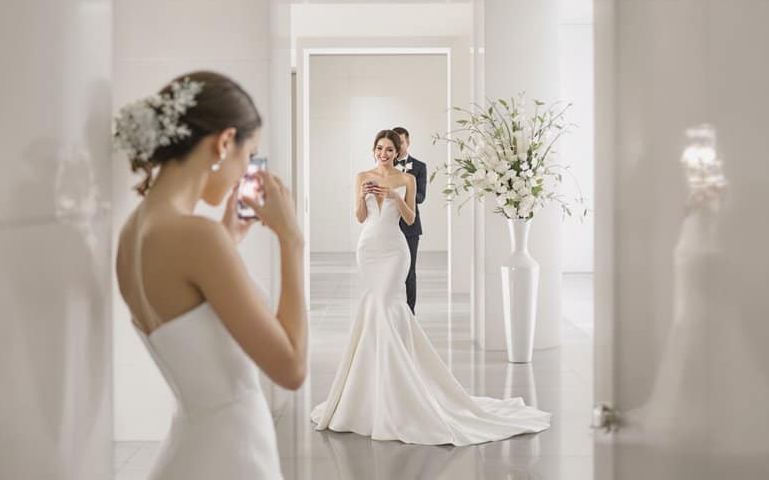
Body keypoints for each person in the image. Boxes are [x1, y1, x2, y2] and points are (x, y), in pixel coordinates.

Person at [114, 71, 305, 479]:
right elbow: (291, 369)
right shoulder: (197, 238)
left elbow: (187, 313)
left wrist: (225, 239)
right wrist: (292, 241)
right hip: (234, 453)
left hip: (189, 447)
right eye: (247, 154)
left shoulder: (133, 232)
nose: (244, 172)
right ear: (223, 142)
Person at [310, 130, 552, 445]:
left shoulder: (407, 180)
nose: (384, 153)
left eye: (389, 149)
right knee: (374, 309)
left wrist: (396, 196)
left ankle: (401, 384)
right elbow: (359, 217)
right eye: (379, 148)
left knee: (386, 305)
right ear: (374, 150)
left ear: (398, 152)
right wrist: (361, 197)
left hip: (395, 250)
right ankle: (370, 389)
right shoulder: (362, 176)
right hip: (368, 249)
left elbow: (410, 220)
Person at [391, 126, 426, 314]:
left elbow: (421, 196)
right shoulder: (385, 166)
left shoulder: (419, 167)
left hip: (410, 227)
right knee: (391, 271)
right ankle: (392, 310)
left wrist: (405, 194)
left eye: (401, 143)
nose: (397, 146)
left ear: (408, 142)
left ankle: (410, 312)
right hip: (388, 226)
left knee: (409, 271)